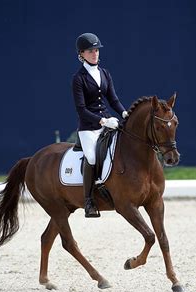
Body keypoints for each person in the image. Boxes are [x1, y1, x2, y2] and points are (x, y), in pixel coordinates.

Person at [72, 32, 128, 218]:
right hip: (89, 127)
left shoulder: (104, 73)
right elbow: (81, 109)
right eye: (90, 51)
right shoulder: (78, 79)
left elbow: (113, 99)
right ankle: (88, 201)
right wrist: (102, 121)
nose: (95, 53)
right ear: (82, 54)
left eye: (96, 50)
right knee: (92, 157)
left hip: (108, 121)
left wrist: (124, 113)